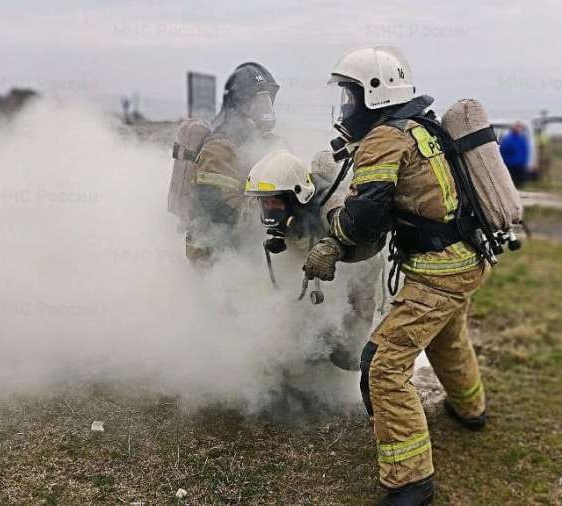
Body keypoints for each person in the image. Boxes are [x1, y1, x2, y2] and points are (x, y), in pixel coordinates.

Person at [303, 46, 488, 505]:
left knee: (383, 367)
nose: (345, 106)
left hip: (437, 272)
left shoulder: (385, 139)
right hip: (467, 259)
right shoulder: (421, 127)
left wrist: (331, 240)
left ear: (375, 95)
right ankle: (471, 408)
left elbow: (366, 217)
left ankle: (410, 482)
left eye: (350, 96)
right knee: (446, 336)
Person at [244, 149, 381, 370]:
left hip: (357, 266)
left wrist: (333, 245)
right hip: (313, 265)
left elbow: (361, 240)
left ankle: (365, 364)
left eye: (275, 203)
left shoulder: (331, 205)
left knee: (347, 353)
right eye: (264, 203)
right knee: (304, 342)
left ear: (296, 196)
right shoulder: (278, 202)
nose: (269, 209)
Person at [184, 62, 285, 268]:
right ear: (240, 106)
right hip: (214, 254)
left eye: (267, 101)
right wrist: (269, 210)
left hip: (245, 247)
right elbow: (217, 205)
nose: (265, 109)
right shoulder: (220, 146)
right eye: (258, 103)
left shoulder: (264, 141)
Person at [499, 122, 531, 188]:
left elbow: (525, 152)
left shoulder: (523, 138)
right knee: (511, 184)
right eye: (517, 127)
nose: (519, 129)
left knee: (520, 184)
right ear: (513, 128)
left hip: (520, 166)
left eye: (520, 127)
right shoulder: (507, 139)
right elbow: (503, 150)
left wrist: (525, 163)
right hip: (511, 165)